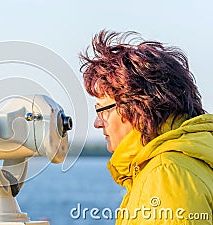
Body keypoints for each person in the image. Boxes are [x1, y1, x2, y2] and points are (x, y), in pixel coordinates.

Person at [79, 30, 213, 224]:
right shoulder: (192, 160)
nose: (98, 123)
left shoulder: (167, 176)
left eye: (103, 110)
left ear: (137, 107)